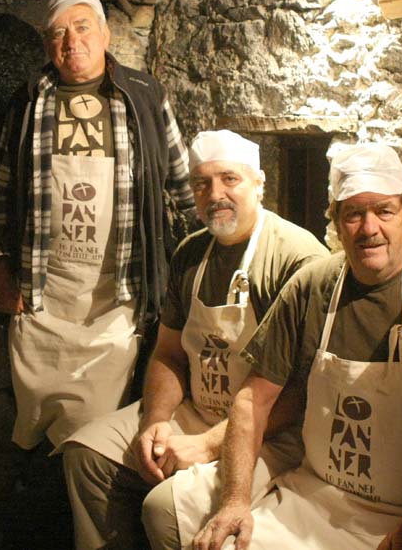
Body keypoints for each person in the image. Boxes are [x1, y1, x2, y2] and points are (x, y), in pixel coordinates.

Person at [193, 143, 402, 550]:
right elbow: (252, 401)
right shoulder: (312, 286)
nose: (369, 228)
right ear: (336, 224)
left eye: (384, 211)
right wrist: (235, 501)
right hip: (314, 496)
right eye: (353, 214)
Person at [63, 130, 328, 550]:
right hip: (197, 409)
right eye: (202, 183)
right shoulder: (191, 254)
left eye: (229, 179)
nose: (215, 194)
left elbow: (301, 391)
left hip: (270, 430)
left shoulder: (297, 258)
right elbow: (168, 354)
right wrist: (156, 421)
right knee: (86, 455)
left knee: (166, 507)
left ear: (259, 183)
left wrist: (207, 445)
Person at [0, 0, 195, 453]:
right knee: (37, 433)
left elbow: (183, 183)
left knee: (95, 440)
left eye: (82, 27)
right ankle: (42, 494)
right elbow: (1, 193)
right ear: (47, 45)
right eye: (58, 33)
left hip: (115, 304)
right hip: (46, 301)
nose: (71, 41)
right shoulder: (28, 101)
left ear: (104, 34)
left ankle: (80, 494)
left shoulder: (144, 95)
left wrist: (208, 261)